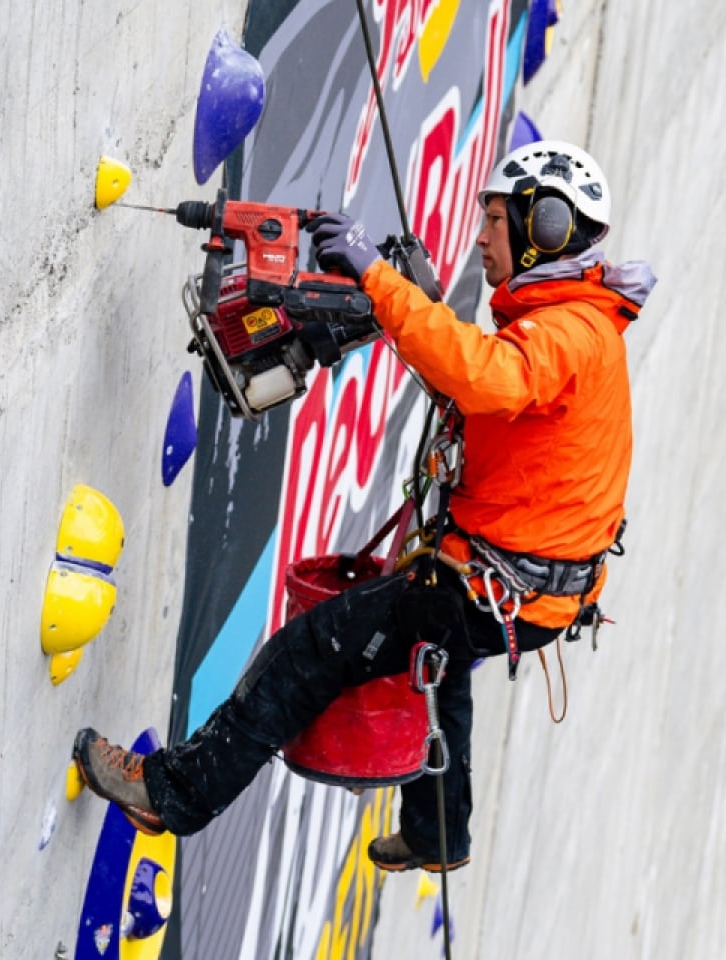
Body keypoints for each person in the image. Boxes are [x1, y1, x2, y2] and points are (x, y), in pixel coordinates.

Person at [71, 141, 655, 874]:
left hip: (495, 589)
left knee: (310, 651)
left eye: (497, 220)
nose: (481, 237)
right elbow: (483, 390)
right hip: (526, 593)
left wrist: (378, 279)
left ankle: (173, 793)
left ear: (547, 227)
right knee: (434, 669)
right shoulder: (571, 323)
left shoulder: (567, 332)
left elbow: (485, 381)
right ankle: (440, 833)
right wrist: (406, 303)